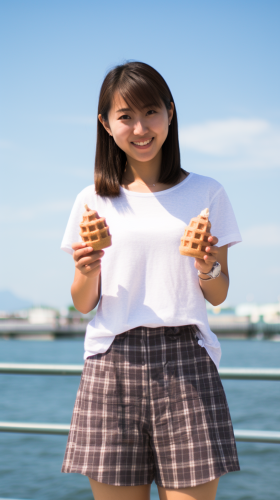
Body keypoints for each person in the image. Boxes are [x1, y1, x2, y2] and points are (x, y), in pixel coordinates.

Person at [61, 61, 241, 500]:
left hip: (186, 362)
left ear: (170, 114)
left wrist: (207, 268)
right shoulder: (92, 200)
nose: (140, 128)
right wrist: (87, 270)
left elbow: (218, 294)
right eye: (125, 117)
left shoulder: (207, 192)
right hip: (112, 363)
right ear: (106, 124)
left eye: (151, 113)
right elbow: (83, 303)